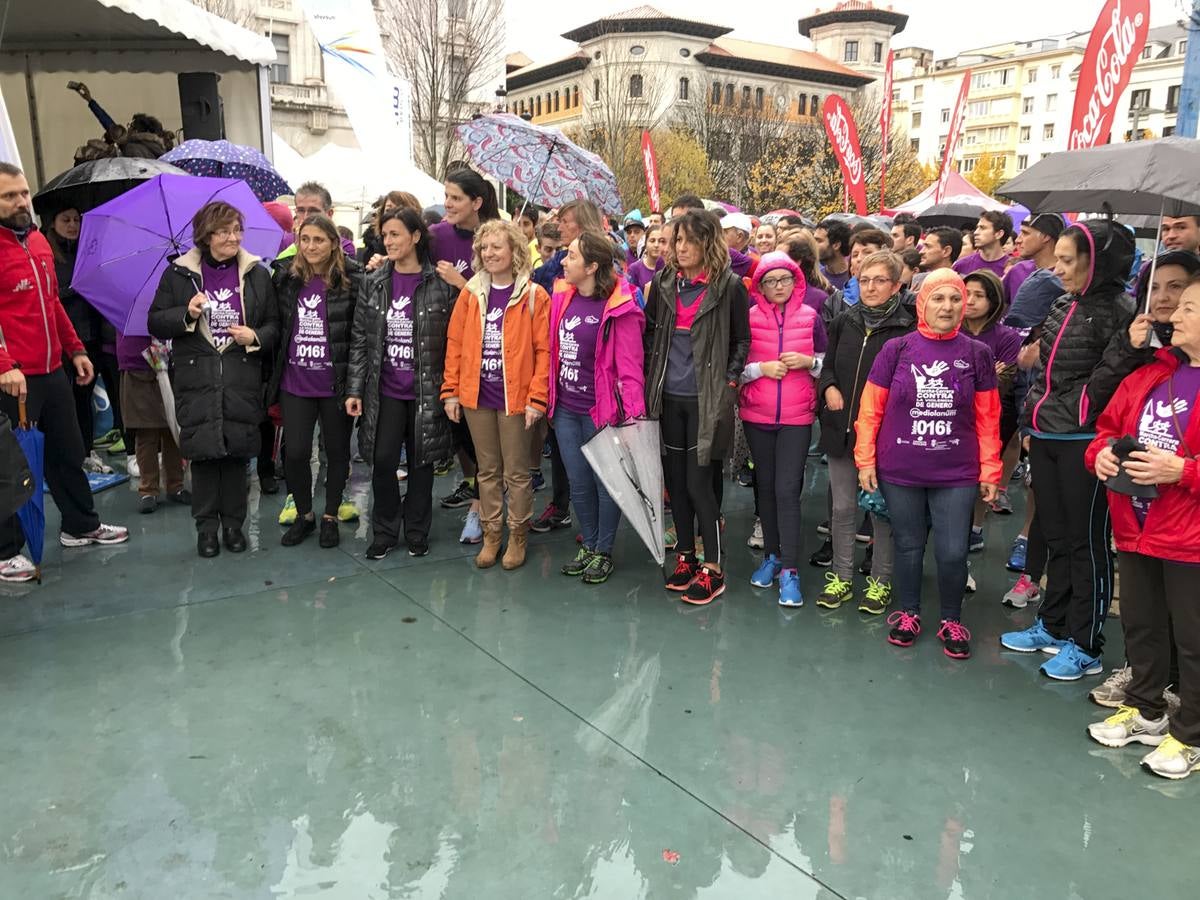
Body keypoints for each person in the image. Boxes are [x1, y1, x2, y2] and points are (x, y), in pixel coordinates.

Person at [1001, 220, 1140, 680]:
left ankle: (1086, 643)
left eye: (1067, 260)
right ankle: (1054, 624)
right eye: (1056, 259)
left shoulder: (1124, 310)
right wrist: (1029, 422)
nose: (1058, 269)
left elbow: (1111, 379)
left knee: (1087, 543)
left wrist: (1127, 347)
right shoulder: (1063, 303)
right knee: (1055, 537)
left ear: (1094, 260)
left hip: (1086, 440)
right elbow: (1043, 373)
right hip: (1047, 436)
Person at [1083, 276, 1200, 780]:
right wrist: (1101, 457)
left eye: (1191, 307)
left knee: (1193, 640)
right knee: (1142, 625)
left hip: (1190, 536)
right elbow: (1108, 430)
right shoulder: (1151, 374)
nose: (1175, 314)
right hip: (1137, 524)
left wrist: (1184, 471)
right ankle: (1146, 709)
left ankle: (1191, 735)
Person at [855, 269, 1002, 659]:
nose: (948, 306)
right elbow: (870, 410)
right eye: (938, 298)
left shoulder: (977, 354)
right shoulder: (897, 350)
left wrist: (991, 470)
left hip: (956, 472)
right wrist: (865, 459)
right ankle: (908, 614)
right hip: (900, 469)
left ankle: (952, 619)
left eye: (955, 299)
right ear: (922, 302)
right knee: (908, 545)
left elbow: (989, 418)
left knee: (953, 551)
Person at [0, 163, 128, 582]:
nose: (20, 201)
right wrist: (4, 367)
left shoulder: (37, 242)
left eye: (22, 193)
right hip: (12, 378)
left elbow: (53, 304)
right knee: (11, 467)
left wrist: (75, 350)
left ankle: (80, 524)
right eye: (9, 196)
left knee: (68, 452)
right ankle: (6, 551)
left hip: (53, 370)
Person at [148, 200, 279, 558]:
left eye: (237, 230)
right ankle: (206, 529)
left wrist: (254, 337)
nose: (233, 237)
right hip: (197, 375)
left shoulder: (256, 275)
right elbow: (155, 321)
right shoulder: (178, 275)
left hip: (240, 373)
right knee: (204, 455)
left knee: (237, 454)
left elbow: (273, 326)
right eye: (224, 231)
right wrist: (185, 314)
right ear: (206, 236)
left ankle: (235, 526)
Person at [644, 210, 751, 606]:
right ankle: (686, 556)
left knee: (699, 484)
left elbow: (741, 340)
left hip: (707, 400)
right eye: (676, 241)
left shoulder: (729, 287)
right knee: (676, 483)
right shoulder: (663, 282)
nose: (680, 248)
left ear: (708, 242)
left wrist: (729, 382)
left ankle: (714, 568)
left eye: (689, 240)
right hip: (668, 398)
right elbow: (651, 333)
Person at [441, 219, 550, 570]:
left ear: (514, 251)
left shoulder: (535, 296)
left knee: (516, 473)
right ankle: (491, 535)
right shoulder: (470, 295)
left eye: (496, 247)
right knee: (487, 471)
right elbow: (455, 344)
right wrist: (451, 391)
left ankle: (518, 535)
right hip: (477, 396)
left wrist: (537, 398)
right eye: (484, 248)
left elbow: (544, 351)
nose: (489, 254)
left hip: (516, 400)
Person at [348, 207, 456, 559]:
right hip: (385, 390)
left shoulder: (440, 284)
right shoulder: (373, 283)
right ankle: (384, 530)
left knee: (422, 464)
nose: (389, 241)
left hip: (426, 390)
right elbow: (361, 340)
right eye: (385, 235)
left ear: (415, 236)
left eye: (396, 234)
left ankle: (416, 530)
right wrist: (355, 388)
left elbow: (457, 339)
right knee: (381, 460)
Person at [816, 250, 914, 613]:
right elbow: (827, 366)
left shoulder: (907, 329)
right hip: (840, 430)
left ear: (897, 286)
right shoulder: (844, 320)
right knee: (842, 508)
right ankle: (841, 577)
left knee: (880, 511)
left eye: (880, 281)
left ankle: (880, 582)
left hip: (882, 437)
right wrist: (829, 387)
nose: (870, 287)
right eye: (864, 280)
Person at [549, 232, 645, 584]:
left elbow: (632, 368)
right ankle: (588, 545)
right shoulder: (562, 297)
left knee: (607, 485)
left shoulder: (621, 306)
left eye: (571, 256)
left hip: (601, 412)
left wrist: (632, 418)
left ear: (591, 266)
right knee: (578, 483)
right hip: (565, 408)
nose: (563, 261)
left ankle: (603, 550)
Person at [269, 214, 361, 548]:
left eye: (318, 240)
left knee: (336, 453)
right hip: (295, 382)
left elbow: (360, 333)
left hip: (333, 382)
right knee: (294, 453)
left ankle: (330, 516)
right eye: (304, 239)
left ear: (334, 243)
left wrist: (355, 384)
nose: (310, 246)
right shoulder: (285, 279)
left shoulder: (353, 278)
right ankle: (305, 514)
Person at [740, 252, 824, 606]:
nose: (778, 287)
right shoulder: (748, 317)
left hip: (796, 418)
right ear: (759, 285)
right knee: (766, 489)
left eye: (784, 280)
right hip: (756, 416)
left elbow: (829, 364)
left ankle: (790, 568)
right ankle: (772, 557)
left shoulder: (811, 317)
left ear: (796, 282)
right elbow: (737, 368)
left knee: (788, 491)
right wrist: (760, 369)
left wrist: (810, 363)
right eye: (770, 281)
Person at [432, 167, 501, 544]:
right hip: (442, 349)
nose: (448, 204)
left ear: (476, 202)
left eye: (456, 198)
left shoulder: (495, 239)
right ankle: (477, 487)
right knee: (456, 430)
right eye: (446, 196)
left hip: (484, 353)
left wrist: (464, 286)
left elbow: (504, 296)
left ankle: (481, 506)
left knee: (483, 437)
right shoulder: (435, 236)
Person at [41, 206, 108, 473]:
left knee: (84, 399)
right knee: (61, 401)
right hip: (62, 340)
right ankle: (58, 457)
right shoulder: (47, 253)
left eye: (76, 220)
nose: (72, 225)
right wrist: (77, 288)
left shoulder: (86, 250)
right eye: (65, 220)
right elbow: (52, 296)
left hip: (91, 337)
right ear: (52, 223)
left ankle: (86, 450)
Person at [960, 270, 1022, 547]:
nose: (970, 300)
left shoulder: (1006, 337)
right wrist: (984, 375)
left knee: (980, 477)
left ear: (994, 301)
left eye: (979, 295)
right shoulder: (951, 329)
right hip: (955, 418)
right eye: (966, 293)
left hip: (989, 418)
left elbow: (1003, 383)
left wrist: (968, 379)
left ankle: (975, 526)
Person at [117, 332, 188, 513]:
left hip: (173, 362)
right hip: (137, 364)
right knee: (145, 432)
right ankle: (148, 489)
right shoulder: (128, 308)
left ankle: (176, 485)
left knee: (173, 429)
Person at [1005, 214, 1064, 328]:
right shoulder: (1018, 270)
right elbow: (997, 313)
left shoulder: (1066, 276)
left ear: (1045, 236)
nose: (1018, 240)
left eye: (1025, 233)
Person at [953, 211, 1013, 280]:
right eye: (977, 228)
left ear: (999, 234)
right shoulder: (961, 265)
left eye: (982, 228)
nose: (975, 232)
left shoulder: (1011, 269)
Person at [912, 227, 962, 292]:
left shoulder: (964, 282)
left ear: (946, 251)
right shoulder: (918, 279)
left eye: (928, 246)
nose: (921, 252)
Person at [627, 222, 666, 292]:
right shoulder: (634, 268)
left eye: (661, 241)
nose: (656, 245)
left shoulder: (669, 268)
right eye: (652, 241)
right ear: (646, 243)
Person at [814, 218, 851, 291]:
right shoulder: (817, 279)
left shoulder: (857, 278)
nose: (813, 244)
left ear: (836, 245)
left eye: (819, 241)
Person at [721, 212, 758, 278]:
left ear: (739, 236)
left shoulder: (755, 264)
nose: (719, 237)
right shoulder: (718, 258)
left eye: (724, 232)